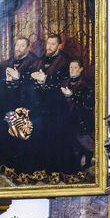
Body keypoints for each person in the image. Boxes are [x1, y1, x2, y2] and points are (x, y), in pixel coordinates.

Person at [0, 36, 42, 173]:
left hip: (26, 108)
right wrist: (7, 82)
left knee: (23, 137)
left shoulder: (35, 63)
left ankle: (22, 169)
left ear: (28, 47)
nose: (18, 49)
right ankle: (7, 163)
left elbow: (34, 88)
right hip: (8, 107)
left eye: (22, 46)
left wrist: (17, 80)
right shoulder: (7, 63)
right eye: (17, 45)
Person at [30, 33, 78, 175]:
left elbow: (66, 82)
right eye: (48, 43)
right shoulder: (41, 60)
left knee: (58, 137)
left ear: (59, 45)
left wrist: (46, 80)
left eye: (52, 44)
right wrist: (36, 79)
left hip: (58, 106)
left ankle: (59, 169)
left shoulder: (65, 62)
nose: (49, 47)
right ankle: (43, 168)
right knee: (42, 135)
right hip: (42, 105)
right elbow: (32, 75)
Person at [62, 58, 95, 169]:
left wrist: (72, 96)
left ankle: (87, 161)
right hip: (67, 118)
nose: (72, 70)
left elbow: (89, 102)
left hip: (81, 118)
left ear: (80, 69)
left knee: (84, 142)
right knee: (70, 142)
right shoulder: (65, 82)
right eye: (71, 68)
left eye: (75, 68)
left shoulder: (86, 84)